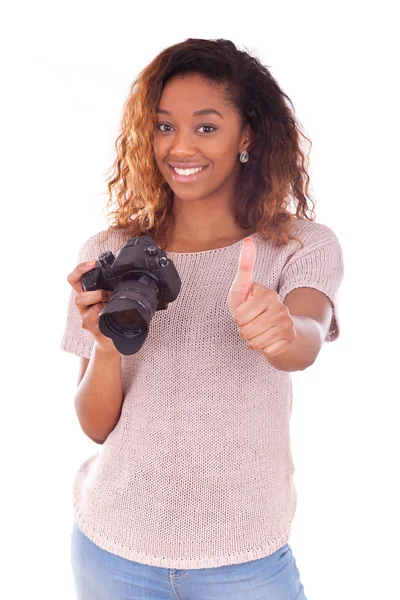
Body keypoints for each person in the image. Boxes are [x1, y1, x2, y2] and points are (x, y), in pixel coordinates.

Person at [61, 38, 344, 600]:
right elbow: (95, 426)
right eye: (164, 126)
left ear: (248, 135)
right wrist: (108, 347)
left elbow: (306, 337)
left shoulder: (300, 245)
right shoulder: (112, 250)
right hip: (112, 547)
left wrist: (282, 330)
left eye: (206, 127)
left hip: (244, 558)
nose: (180, 146)